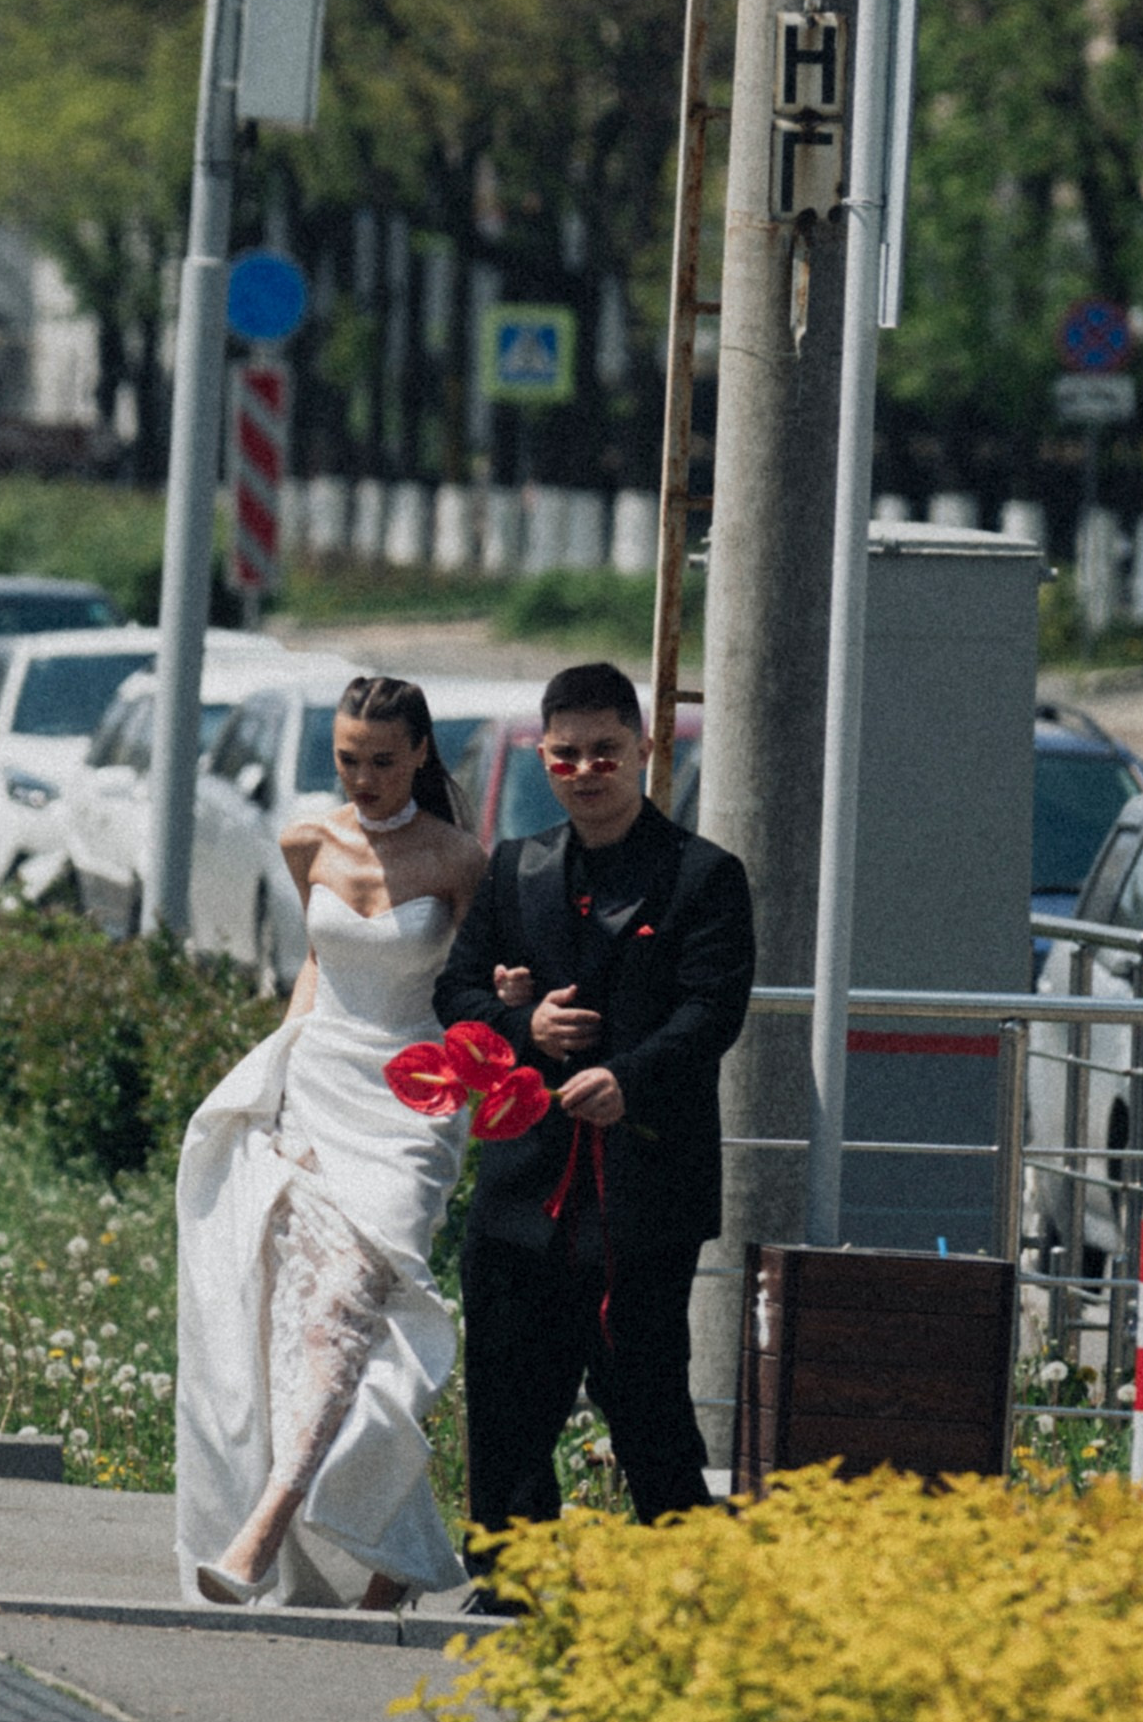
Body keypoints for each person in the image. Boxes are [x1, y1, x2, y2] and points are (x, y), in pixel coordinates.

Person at [174, 674, 488, 1608]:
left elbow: (466, 994)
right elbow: (317, 962)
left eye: (383, 762)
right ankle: (394, 1556)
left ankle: (264, 1531)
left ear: (421, 754)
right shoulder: (305, 838)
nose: (363, 778)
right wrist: (274, 1079)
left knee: (347, 1304)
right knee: (299, 1317)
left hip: (411, 1107)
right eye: (347, 759)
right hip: (314, 1087)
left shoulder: (458, 861)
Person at [432, 658, 754, 1563]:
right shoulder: (512, 868)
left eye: (604, 753)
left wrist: (631, 1079)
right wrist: (520, 1022)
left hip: (642, 1196)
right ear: (542, 757)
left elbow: (710, 1011)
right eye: (564, 755)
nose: (584, 772)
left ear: (642, 749)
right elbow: (455, 993)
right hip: (521, 1188)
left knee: (647, 1401)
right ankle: (505, 1580)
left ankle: (685, 1586)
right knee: (505, 1403)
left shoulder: (705, 876)